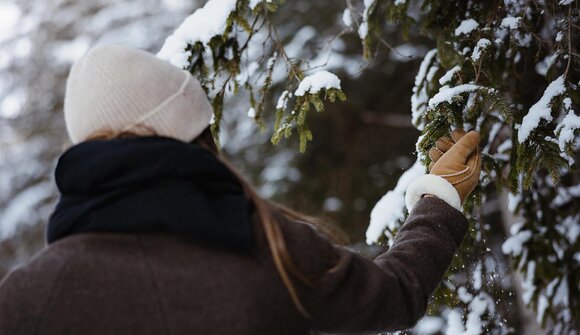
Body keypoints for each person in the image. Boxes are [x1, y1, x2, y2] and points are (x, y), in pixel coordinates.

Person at [0, 45, 481, 335]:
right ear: (196, 136)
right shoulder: (270, 248)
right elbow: (395, 293)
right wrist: (441, 194)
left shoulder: (26, 300)